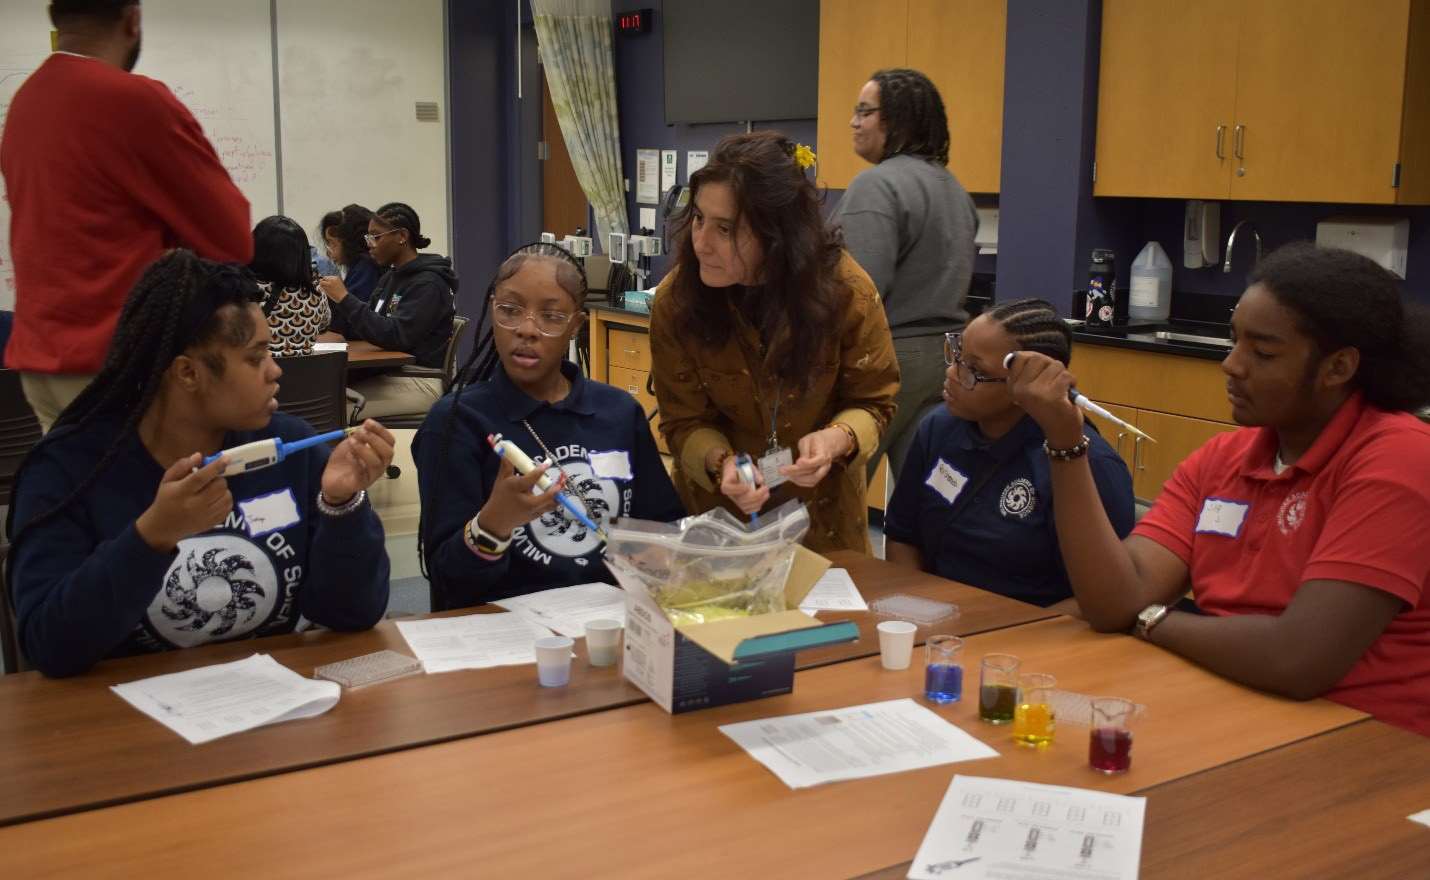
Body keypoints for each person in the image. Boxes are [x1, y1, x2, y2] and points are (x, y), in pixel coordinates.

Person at [1007, 243, 1430, 736]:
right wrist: (1066, 441)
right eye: (1234, 342)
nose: (1232, 365)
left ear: (1338, 368)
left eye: (1263, 352)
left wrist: (1149, 620)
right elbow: (1111, 600)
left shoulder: (1399, 457)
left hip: (1364, 738)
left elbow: (1298, 660)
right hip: (1227, 703)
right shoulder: (1225, 458)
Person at [6, 251, 395, 678]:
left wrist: (340, 505)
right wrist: (151, 536)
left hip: (267, 710)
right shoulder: (70, 470)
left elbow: (352, 614)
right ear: (188, 373)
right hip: (122, 724)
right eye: (255, 357)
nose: (275, 371)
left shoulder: (292, 448)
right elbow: (49, 646)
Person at [1, 0, 252, 433]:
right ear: (132, 18)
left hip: (41, 363)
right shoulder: (132, 98)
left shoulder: (25, 102)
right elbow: (232, 238)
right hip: (117, 361)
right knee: (155, 501)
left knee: (81, 498)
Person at [650, 131, 900, 554]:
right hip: (720, 521)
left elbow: (875, 402)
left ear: (777, 235)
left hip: (822, 524)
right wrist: (720, 463)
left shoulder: (847, 291)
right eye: (698, 219)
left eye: (725, 228)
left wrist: (836, 439)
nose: (701, 242)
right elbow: (682, 422)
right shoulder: (677, 300)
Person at [414, 243, 683, 610]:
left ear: (576, 325)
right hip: (504, 631)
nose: (527, 329)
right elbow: (447, 581)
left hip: (607, 625)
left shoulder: (618, 413)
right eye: (510, 310)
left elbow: (662, 531)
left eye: (551, 317)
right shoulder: (456, 421)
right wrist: (493, 523)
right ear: (492, 310)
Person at [884, 299, 1134, 608]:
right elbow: (902, 537)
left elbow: (1103, 600)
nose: (951, 372)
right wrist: (916, 606)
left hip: (1033, 636)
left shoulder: (1086, 464)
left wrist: (1003, 636)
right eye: (956, 353)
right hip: (938, 617)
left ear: (1027, 387)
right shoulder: (938, 428)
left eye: (974, 370)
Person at [835, 68, 979, 487]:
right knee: (929, 500)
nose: (854, 122)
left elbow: (857, 293)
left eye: (865, 112)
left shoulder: (875, 186)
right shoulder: (954, 189)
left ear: (896, 120)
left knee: (833, 494)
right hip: (948, 361)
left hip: (887, 361)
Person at [320, 202, 456, 421]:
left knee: (328, 410)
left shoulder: (428, 284)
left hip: (418, 379)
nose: (370, 245)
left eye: (376, 237)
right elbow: (369, 324)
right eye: (367, 238)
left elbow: (395, 335)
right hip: (389, 373)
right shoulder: (391, 277)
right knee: (323, 394)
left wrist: (344, 297)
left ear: (402, 236)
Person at [250, 216, 330, 356]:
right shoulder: (316, 292)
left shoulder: (246, 292)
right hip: (308, 376)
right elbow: (324, 326)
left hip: (262, 375)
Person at [319, 204, 383, 303]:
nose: (328, 252)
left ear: (348, 242)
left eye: (332, 243)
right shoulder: (360, 268)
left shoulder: (366, 269)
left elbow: (352, 314)